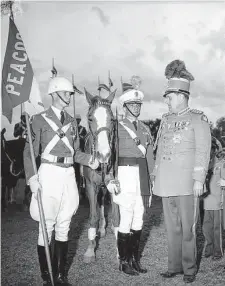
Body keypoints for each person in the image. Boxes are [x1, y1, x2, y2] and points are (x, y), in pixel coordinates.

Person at [23, 76, 99, 285]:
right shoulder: (38, 119)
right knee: (46, 226)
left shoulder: (72, 122)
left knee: (65, 223)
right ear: (54, 93)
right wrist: (32, 177)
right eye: (66, 93)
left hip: (68, 174)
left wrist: (90, 159)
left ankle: (61, 274)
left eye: (70, 94)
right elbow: (29, 152)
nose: (69, 97)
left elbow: (74, 153)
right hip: (48, 172)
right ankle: (47, 274)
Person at [151, 60, 211, 283]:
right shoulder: (166, 120)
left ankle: (189, 269)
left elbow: (203, 150)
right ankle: (173, 266)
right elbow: (160, 152)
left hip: (188, 184)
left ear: (182, 95)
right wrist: (156, 176)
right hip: (167, 184)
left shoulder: (198, 118)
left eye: (170, 96)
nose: (167, 100)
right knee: (172, 229)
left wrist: (198, 179)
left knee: (188, 230)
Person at [108, 76, 155, 276]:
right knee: (126, 216)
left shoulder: (145, 129)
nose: (136, 108)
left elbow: (150, 156)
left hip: (142, 174)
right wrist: (110, 177)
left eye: (138, 104)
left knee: (139, 217)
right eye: (132, 104)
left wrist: (152, 179)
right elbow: (109, 155)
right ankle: (124, 261)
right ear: (125, 106)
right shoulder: (117, 128)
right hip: (125, 172)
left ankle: (135, 260)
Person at [203, 137, 225, 260]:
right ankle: (209, 247)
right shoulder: (204, 163)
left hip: (218, 202)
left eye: (212, 148)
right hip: (206, 202)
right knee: (206, 227)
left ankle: (218, 251)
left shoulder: (222, 163)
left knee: (217, 228)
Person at [74, 114, 87, 199]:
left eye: (78, 120)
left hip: (82, 152)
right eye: (76, 120)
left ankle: (82, 190)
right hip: (74, 153)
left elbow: (86, 139)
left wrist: (80, 137)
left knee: (82, 173)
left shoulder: (83, 129)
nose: (77, 121)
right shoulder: (72, 128)